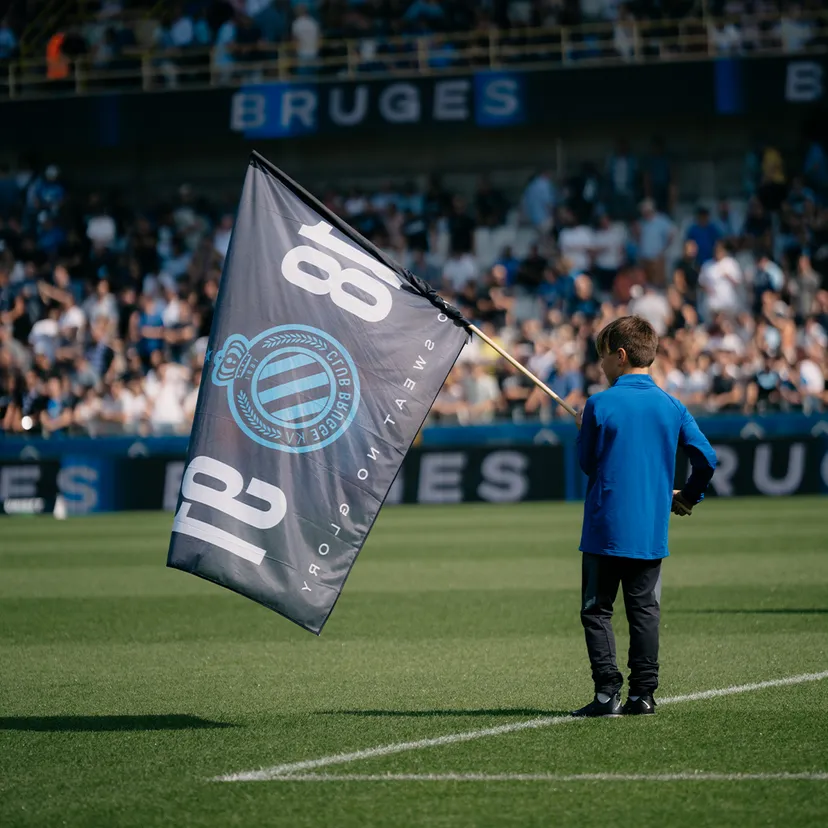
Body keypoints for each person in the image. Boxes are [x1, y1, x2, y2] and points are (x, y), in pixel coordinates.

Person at [572, 315, 717, 717]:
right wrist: (689, 496)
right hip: (651, 531)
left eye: (603, 357)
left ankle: (606, 695)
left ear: (620, 355)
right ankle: (643, 695)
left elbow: (587, 463)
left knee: (597, 610)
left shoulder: (599, 403)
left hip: (604, 531)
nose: (600, 365)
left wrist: (583, 428)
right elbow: (707, 458)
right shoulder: (672, 405)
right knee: (644, 612)